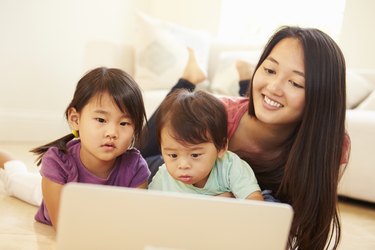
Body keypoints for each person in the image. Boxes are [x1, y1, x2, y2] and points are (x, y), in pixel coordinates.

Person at [138, 26, 350, 250]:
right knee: (143, 151)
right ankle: (189, 78)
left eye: (295, 83)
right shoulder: (220, 117)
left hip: (245, 205)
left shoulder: (327, 146)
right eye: (269, 70)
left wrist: (231, 203)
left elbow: (299, 224)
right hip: (185, 172)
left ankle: (245, 80)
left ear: (321, 97)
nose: (275, 86)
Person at [0, 67, 151, 230]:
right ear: (75, 119)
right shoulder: (57, 162)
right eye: (101, 120)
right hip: (52, 191)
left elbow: (134, 222)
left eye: (124, 123)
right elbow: (63, 225)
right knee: (15, 178)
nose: (112, 133)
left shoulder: (136, 167)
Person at [148, 89, 263, 201]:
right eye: (173, 155)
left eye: (195, 155)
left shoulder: (230, 166)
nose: (183, 165)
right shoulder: (162, 178)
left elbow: (255, 203)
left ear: (221, 147)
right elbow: (150, 210)